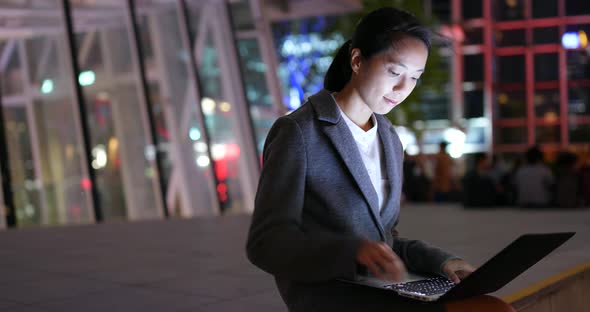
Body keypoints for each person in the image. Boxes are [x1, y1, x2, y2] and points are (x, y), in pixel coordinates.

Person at [247, 7, 513, 312]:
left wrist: (443, 262)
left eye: (414, 77)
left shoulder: (388, 137)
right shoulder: (299, 131)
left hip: (383, 288)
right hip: (331, 296)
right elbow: (266, 243)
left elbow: (385, 241)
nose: (403, 89)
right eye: (394, 72)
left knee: (493, 304)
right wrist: (351, 252)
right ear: (358, 60)